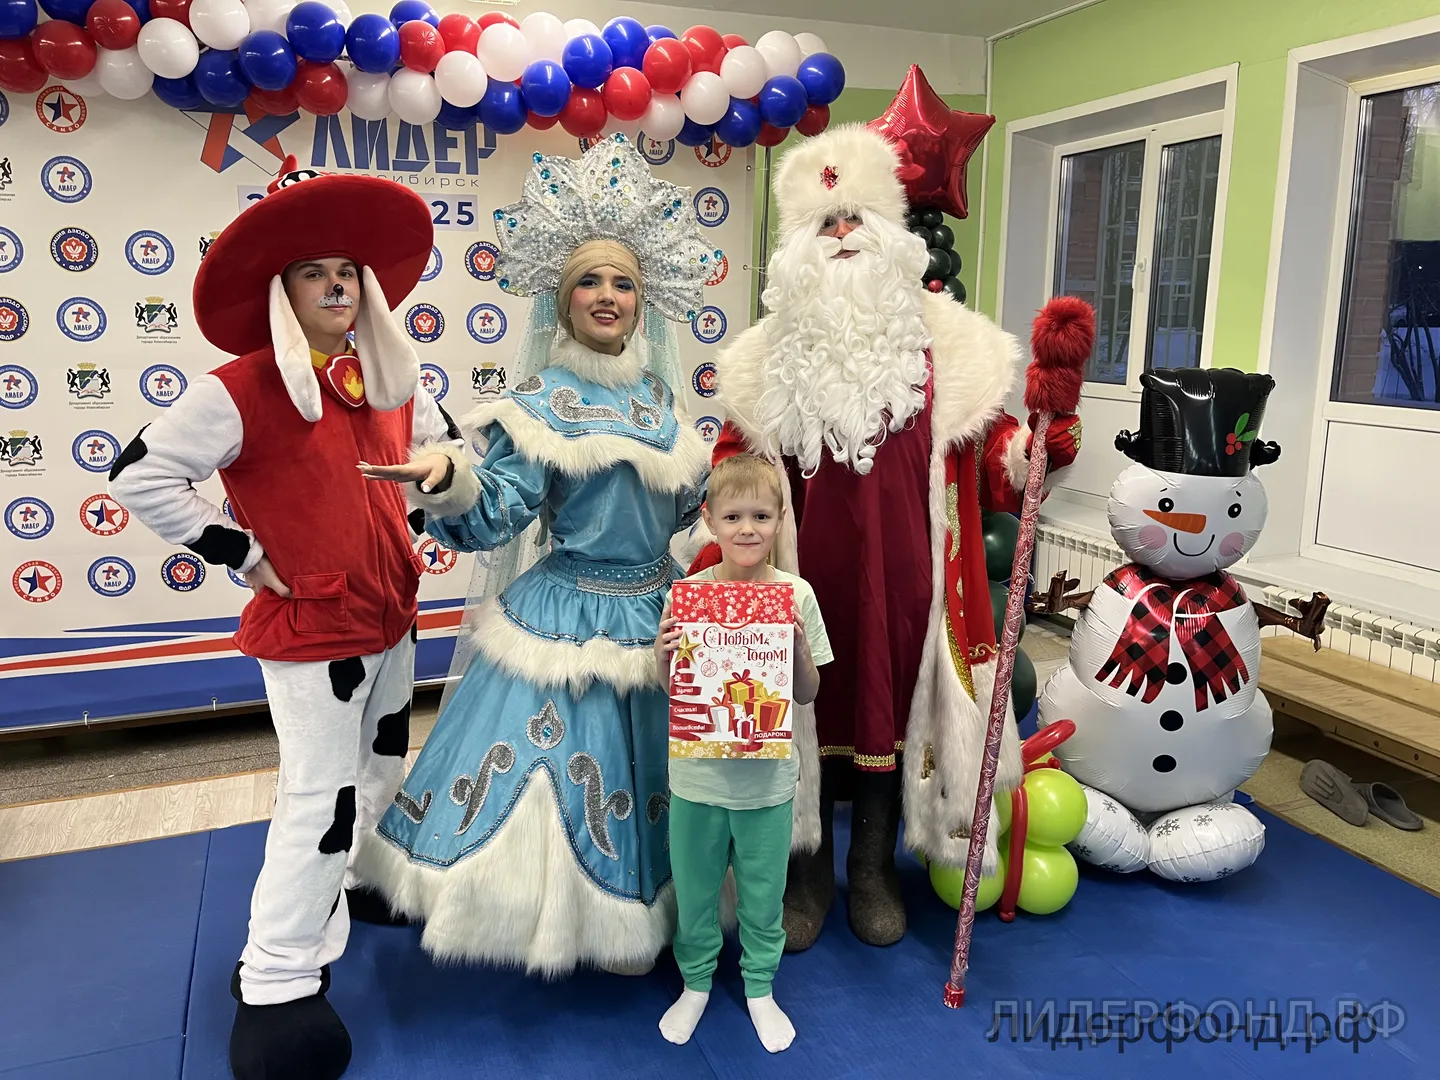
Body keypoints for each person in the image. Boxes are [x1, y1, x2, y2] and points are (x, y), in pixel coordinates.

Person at [685, 123, 1083, 951]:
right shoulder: (763, 360)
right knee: (797, 717)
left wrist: (1041, 440)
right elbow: (731, 473)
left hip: (912, 590)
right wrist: (717, 554)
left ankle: (871, 869)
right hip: (794, 585)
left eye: (856, 219)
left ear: (891, 233)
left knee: (889, 721)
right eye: (824, 224)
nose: (841, 235)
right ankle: (804, 875)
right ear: (797, 248)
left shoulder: (954, 350)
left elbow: (999, 466)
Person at [108, 156, 455, 1080]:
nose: (336, 287)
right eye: (314, 273)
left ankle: (355, 883)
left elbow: (440, 460)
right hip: (312, 637)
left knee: (380, 770)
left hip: (392, 620)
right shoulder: (239, 387)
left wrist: (435, 493)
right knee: (318, 800)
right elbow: (140, 473)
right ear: (282, 290)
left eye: (347, 272)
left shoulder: (390, 377)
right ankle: (277, 978)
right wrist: (239, 550)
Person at [350, 135, 717, 979]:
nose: (607, 296)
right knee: (556, 770)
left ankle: (651, 914)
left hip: (660, 614)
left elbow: (688, 514)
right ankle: (568, 922)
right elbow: (498, 512)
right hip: (567, 614)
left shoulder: (662, 400)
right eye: (590, 281)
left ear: (643, 302)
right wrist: (450, 480)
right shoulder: (539, 403)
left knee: (663, 779)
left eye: (623, 282)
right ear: (563, 298)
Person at [654, 454, 832, 1053]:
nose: (747, 528)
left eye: (760, 515)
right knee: (695, 891)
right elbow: (672, 689)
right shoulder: (688, 595)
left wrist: (797, 650)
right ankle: (696, 982)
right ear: (710, 520)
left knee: (763, 894)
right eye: (733, 517)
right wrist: (662, 654)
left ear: (781, 520)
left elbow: (807, 692)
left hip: (767, 784)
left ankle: (760, 987)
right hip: (697, 780)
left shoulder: (796, 595)